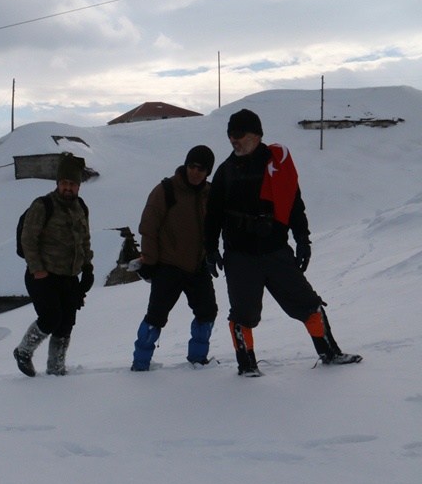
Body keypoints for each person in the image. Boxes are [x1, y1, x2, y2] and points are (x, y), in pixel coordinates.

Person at [204, 108, 362, 376]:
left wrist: (303, 239)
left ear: (256, 135)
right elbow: (212, 216)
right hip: (240, 255)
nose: (233, 140)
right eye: (230, 135)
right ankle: (247, 366)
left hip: (276, 251)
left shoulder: (278, 165)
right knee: (244, 314)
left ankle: (330, 354)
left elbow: (294, 206)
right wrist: (210, 249)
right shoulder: (225, 172)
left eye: (239, 134)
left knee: (308, 304)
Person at [131, 145, 218, 371]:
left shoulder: (210, 193)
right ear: (185, 164)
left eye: (201, 168)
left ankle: (198, 360)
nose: (195, 171)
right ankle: (140, 364)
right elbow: (149, 228)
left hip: (198, 267)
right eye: (192, 166)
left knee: (207, 312)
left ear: (208, 171)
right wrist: (149, 262)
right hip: (168, 266)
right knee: (156, 317)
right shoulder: (166, 190)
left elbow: (219, 225)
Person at [12, 154, 94, 376]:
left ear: (78, 186)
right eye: (64, 183)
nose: (68, 188)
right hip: (43, 275)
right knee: (50, 319)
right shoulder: (43, 205)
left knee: (66, 324)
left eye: (72, 184)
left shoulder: (81, 207)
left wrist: (87, 268)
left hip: (69, 277)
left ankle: (56, 369)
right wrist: (38, 270)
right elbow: (28, 240)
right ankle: (23, 351)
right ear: (58, 184)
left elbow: (84, 240)